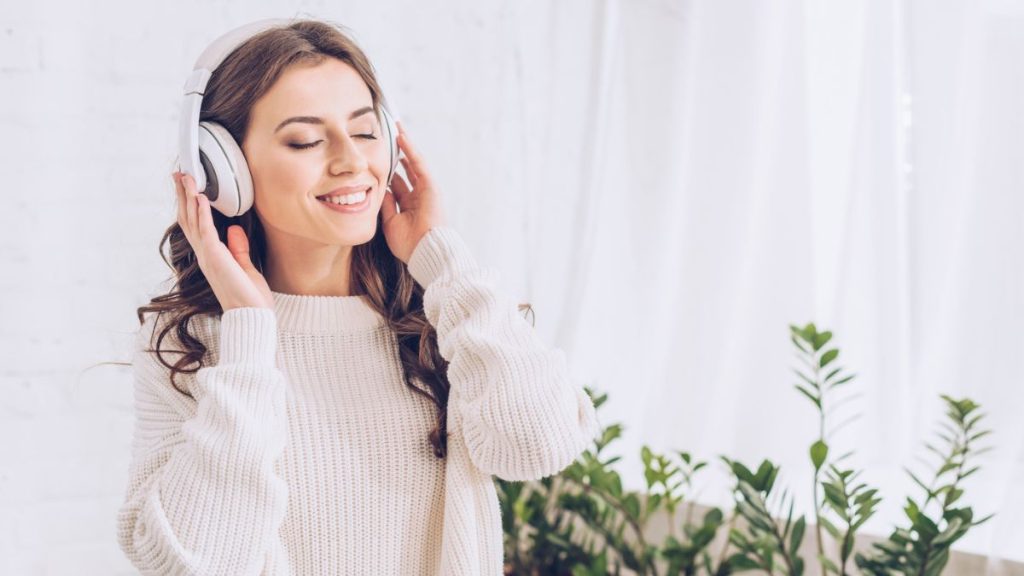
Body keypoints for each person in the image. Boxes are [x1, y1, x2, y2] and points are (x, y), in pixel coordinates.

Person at [115, 18, 601, 576]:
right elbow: (195, 560)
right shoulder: (190, 343)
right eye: (306, 140)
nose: (351, 160)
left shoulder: (443, 310)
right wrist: (249, 336)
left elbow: (536, 447)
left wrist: (440, 258)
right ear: (224, 169)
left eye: (366, 132)